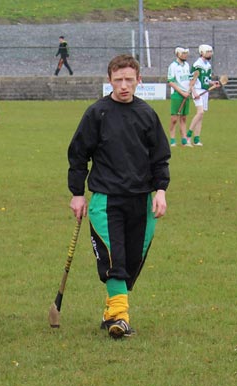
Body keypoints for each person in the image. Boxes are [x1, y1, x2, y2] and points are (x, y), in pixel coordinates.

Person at [67, 54, 171, 339]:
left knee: (133, 260)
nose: (123, 86)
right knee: (115, 260)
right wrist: (77, 194)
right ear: (109, 80)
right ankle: (121, 318)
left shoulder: (147, 114)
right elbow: (78, 156)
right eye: (117, 80)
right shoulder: (96, 113)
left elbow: (160, 158)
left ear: (139, 80)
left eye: (129, 80)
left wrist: (160, 190)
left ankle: (112, 310)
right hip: (106, 199)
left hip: (142, 200)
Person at [186, 44, 221, 147]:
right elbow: (191, 80)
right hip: (197, 90)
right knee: (200, 112)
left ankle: (196, 139)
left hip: (205, 91)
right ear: (202, 52)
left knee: (201, 116)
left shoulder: (208, 65)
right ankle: (188, 137)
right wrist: (194, 91)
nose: (210, 54)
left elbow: (206, 79)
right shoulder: (197, 65)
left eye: (211, 52)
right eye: (208, 52)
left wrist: (213, 83)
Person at [167, 47, 192, 147]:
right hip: (177, 95)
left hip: (186, 94)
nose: (185, 55)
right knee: (174, 118)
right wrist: (182, 92)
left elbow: (190, 79)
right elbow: (171, 82)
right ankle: (172, 139)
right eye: (183, 53)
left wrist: (190, 89)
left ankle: (184, 139)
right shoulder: (173, 66)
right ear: (178, 54)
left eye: (186, 53)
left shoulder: (187, 65)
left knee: (184, 118)